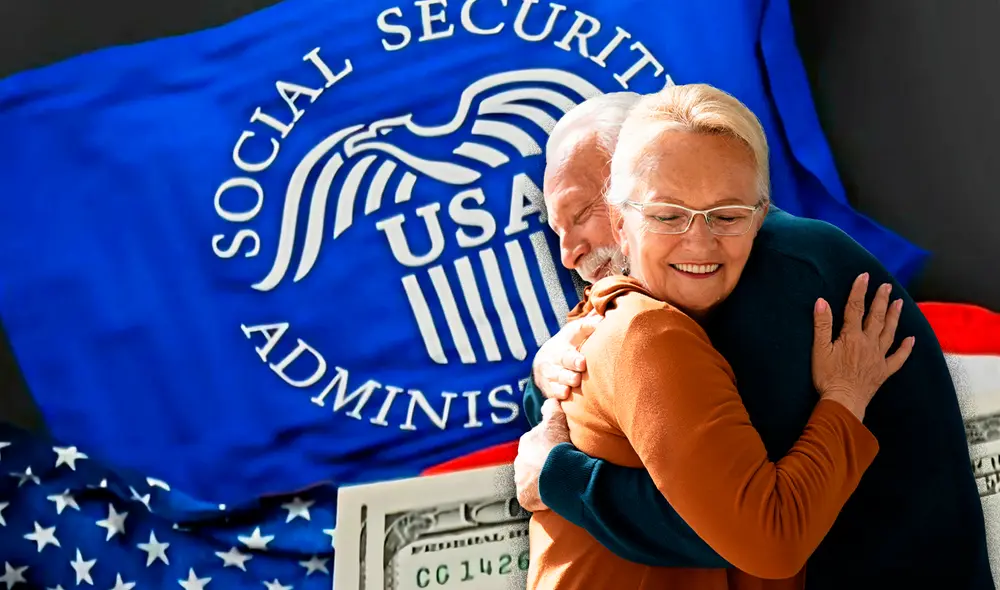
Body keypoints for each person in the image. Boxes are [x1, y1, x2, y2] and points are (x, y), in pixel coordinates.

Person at [516, 91, 994, 589]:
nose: (568, 254)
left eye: (578, 213)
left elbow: (741, 527)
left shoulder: (782, 276)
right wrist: (545, 370)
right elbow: (593, 410)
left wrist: (558, 478)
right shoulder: (671, 299)